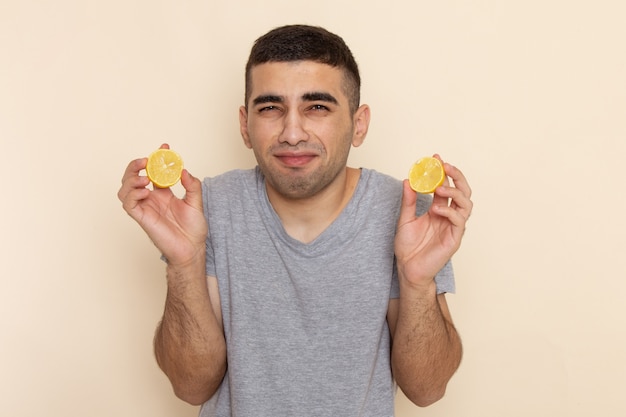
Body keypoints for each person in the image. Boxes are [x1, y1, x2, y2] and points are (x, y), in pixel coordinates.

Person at [118, 24, 472, 417]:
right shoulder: (208, 208)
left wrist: (417, 282)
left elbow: (427, 389)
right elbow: (190, 386)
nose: (291, 132)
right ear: (244, 125)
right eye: (270, 108)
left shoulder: (407, 213)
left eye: (317, 107)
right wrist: (185, 264)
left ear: (359, 124)